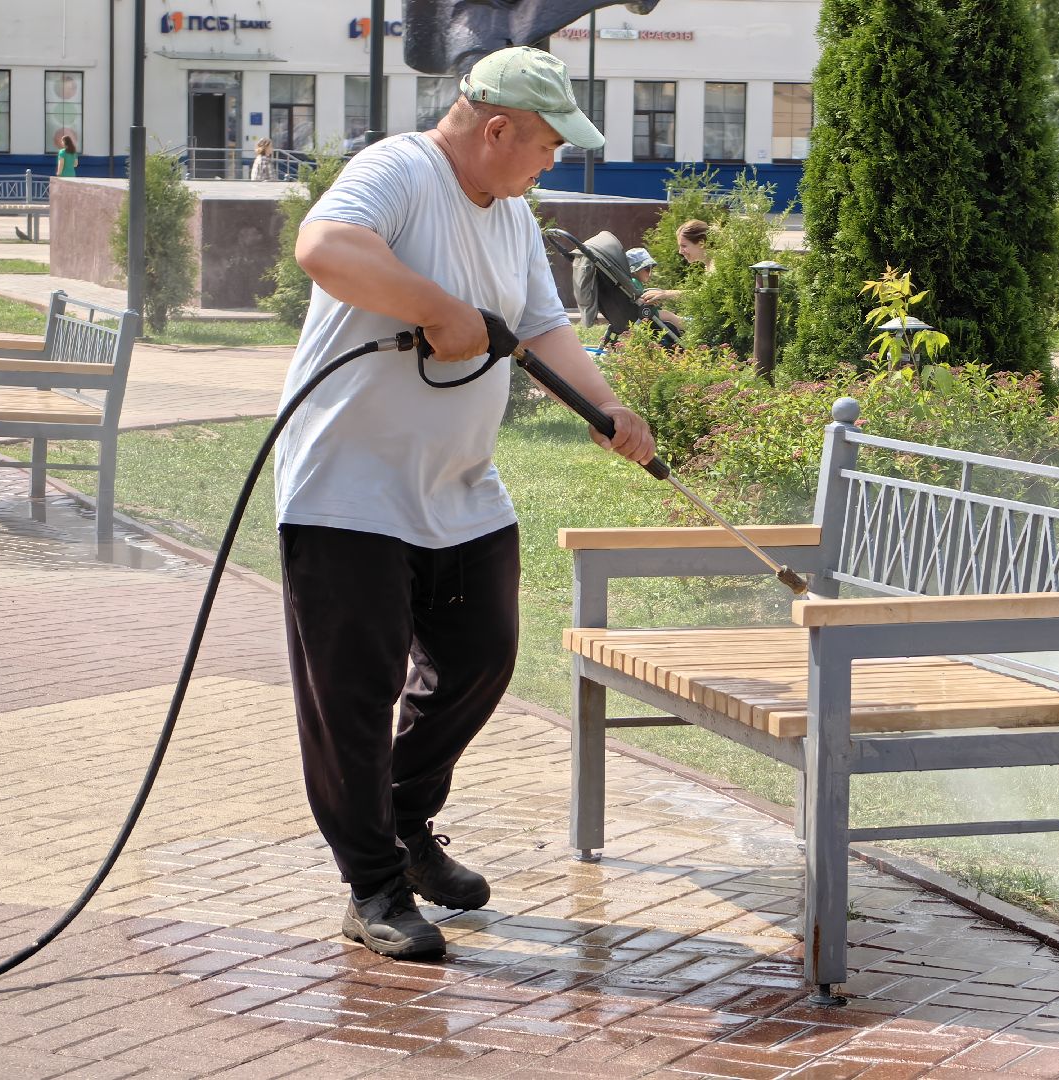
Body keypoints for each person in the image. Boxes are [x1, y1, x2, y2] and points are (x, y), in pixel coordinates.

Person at [274, 45, 654, 961]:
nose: (552, 161)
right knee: (352, 698)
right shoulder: (400, 170)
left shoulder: (512, 213)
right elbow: (324, 247)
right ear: (495, 130)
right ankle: (371, 887)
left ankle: (403, 824)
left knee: (482, 654)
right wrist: (438, 308)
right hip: (349, 489)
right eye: (547, 144)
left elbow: (540, 326)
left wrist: (606, 404)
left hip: (459, 485)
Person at [638, 219, 710, 307]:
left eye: (684, 246)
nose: (680, 251)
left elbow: (703, 296)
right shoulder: (710, 265)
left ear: (701, 243)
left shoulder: (717, 266)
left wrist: (666, 294)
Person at [625, 246, 684, 332]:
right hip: (643, 312)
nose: (650, 273)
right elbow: (633, 299)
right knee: (669, 315)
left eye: (651, 268)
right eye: (647, 269)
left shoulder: (635, 282)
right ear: (635, 270)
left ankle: (684, 325)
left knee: (668, 315)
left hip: (643, 311)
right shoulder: (633, 282)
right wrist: (645, 301)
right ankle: (690, 325)